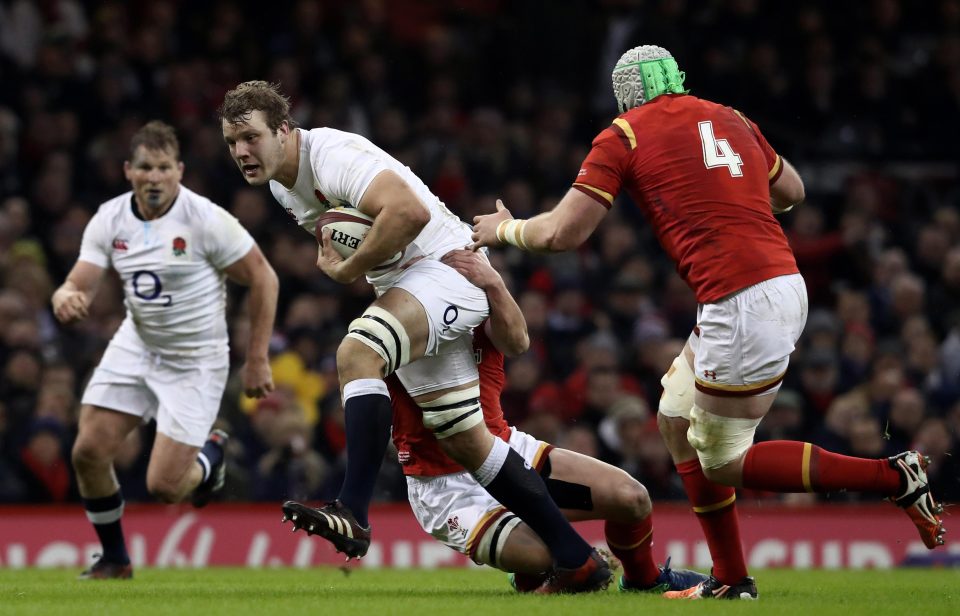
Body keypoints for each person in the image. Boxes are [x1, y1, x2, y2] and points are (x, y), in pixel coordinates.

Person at [470, 45, 946, 599]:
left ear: (626, 94)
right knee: (675, 416)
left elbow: (560, 235)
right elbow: (792, 191)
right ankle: (722, 580)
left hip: (742, 300)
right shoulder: (730, 117)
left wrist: (502, 230)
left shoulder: (623, 134)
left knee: (722, 459)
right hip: (775, 284)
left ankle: (892, 477)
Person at [219, 81, 609, 589]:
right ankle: (575, 557)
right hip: (408, 283)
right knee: (467, 440)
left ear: (284, 130)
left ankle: (352, 509)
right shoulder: (279, 186)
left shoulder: (333, 154)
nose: (241, 151)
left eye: (250, 137)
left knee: (357, 353)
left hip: (448, 268)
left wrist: (349, 270)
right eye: (231, 142)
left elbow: (410, 213)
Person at [286, 250, 707, 593]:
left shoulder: (475, 307)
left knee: (632, 498)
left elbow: (520, 340)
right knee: (551, 557)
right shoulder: (392, 323)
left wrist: (493, 282)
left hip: (508, 452)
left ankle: (643, 581)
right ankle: (535, 573)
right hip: (446, 488)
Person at [52, 121, 279, 579]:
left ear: (179, 171)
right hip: (138, 345)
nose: (154, 177)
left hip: (196, 361)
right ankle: (114, 559)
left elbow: (263, 277)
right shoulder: (110, 218)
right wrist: (64, 296)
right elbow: (81, 280)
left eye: (162, 168)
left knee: (165, 487)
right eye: (144, 168)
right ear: (127, 172)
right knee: (88, 452)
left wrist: (256, 358)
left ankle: (211, 457)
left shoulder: (205, 220)